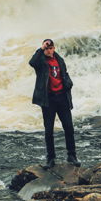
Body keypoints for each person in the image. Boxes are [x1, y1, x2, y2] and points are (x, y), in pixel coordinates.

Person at [29, 38, 80, 169]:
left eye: (50, 48)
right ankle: (50, 158)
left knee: (69, 127)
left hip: (62, 97)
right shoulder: (41, 61)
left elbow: (65, 73)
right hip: (48, 99)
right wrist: (40, 49)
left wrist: (69, 82)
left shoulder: (59, 59)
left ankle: (72, 155)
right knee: (49, 130)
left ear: (54, 48)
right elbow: (32, 62)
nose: (49, 50)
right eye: (46, 48)